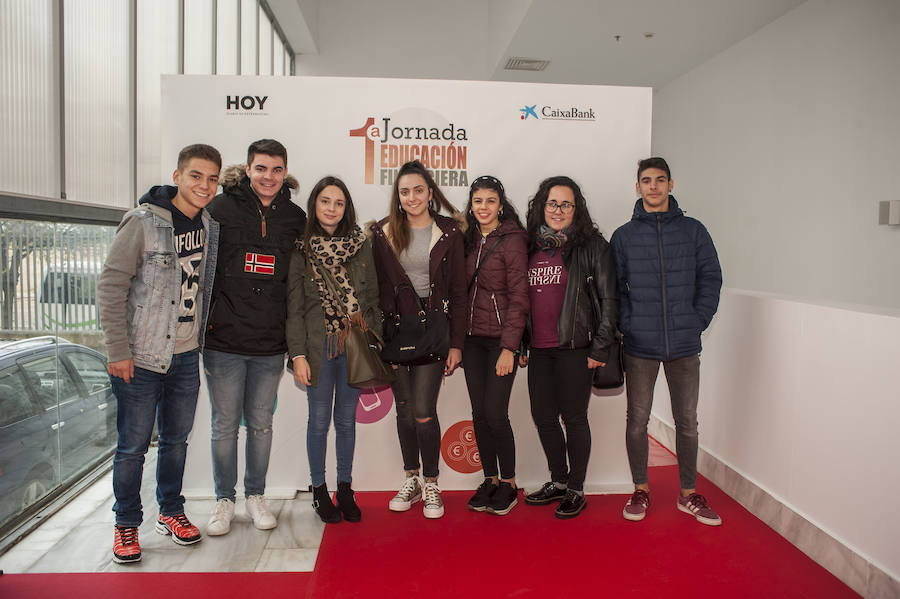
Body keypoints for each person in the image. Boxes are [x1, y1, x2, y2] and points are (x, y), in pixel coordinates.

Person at [98, 143, 222, 564]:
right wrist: (117, 349)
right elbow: (111, 287)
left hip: (187, 354)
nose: (204, 185)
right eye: (196, 176)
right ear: (178, 175)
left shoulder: (209, 224)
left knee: (176, 441)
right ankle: (126, 523)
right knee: (132, 447)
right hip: (141, 355)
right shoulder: (142, 222)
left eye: (212, 179)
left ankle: (170, 511)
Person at [611, 157, 723, 526]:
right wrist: (628, 325)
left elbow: (710, 277)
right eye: (647, 180)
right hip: (640, 344)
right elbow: (615, 290)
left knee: (687, 421)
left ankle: (688, 494)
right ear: (638, 186)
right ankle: (640, 489)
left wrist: (697, 320)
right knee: (636, 421)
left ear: (671, 185)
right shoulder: (624, 236)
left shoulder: (694, 231)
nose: (654, 186)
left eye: (660, 180)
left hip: (684, 343)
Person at [203, 139, 307, 536]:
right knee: (224, 425)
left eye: (276, 169)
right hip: (223, 342)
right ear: (247, 169)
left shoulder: (295, 217)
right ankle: (223, 500)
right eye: (261, 168)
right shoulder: (219, 209)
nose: (269, 177)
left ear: (285, 172)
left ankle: (255, 495)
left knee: (261, 425)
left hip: (269, 344)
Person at [369, 160, 466, 519]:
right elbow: (378, 291)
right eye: (405, 191)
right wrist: (379, 339)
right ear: (398, 195)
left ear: (430, 193)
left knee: (424, 413)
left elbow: (458, 291)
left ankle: (432, 483)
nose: (412, 197)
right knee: (405, 411)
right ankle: (410, 478)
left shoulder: (450, 232)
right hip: (396, 333)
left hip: (434, 332)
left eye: (419, 190)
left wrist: (457, 343)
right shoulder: (382, 233)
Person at [521, 175, 618, 519]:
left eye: (566, 204)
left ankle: (576, 489)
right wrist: (521, 342)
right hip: (540, 349)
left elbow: (609, 301)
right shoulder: (530, 246)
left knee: (574, 418)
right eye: (552, 203)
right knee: (543, 416)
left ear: (577, 209)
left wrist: (600, 348)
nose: (558, 210)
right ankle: (559, 481)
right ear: (541, 206)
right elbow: (521, 300)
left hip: (577, 347)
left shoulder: (593, 246)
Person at [286, 176, 380, 523]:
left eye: (338, 203)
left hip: (354, 343)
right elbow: (294, 307)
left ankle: (345, 487)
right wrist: (297, 355)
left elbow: (371, 296)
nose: (331, 209)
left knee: (346, 422)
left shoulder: (360, 244)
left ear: (346, 208)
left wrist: (375, 338)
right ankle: (318, 490)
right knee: (319, 421)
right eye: (325, 201)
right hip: (318, 347)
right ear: (315, 205)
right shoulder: (301, 249)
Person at [460, 175, 529, 516]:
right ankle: (489, 478)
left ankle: (510, 483)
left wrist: (510, 347)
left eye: (490, 201)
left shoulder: (513, 239)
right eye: (477, 201)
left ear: (500, 205)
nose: (483, 207)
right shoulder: (468, 238)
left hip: (501, 341)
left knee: (495, 413)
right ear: (471, 206)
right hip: (472, 341)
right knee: (478, 414)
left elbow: (519, 297)